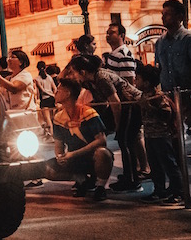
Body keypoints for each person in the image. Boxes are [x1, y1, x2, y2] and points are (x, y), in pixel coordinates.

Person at [66, 54, 143, 192]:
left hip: (131, 105)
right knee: (119, 141)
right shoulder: (89, 81)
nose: (72, 76)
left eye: (74, 72)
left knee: (125, 141)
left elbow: (116, 103)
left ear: (82, 72)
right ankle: (125, 177)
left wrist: (117, 125)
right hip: (122, 107)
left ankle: (132, 180)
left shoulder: (101, 78)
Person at [155, 0, 191, 199]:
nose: (163, 17)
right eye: (163, 13)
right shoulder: (160, 42)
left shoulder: (190, 39)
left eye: (167, 13)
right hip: (169, 98)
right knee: (174, 143)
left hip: (189, 97)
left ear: (179, 16)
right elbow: (160, 68)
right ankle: (179, 186)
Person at [46, 77, 113, 202]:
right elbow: (58, 143)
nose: (55, 92)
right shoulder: (58, 117)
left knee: (103, 153)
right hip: (74, 159)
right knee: (48, 169)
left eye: (59, 90)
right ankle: (81, 180)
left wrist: (72, 154)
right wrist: (60, 156)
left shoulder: (88, 113)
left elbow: (101, 140)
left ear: (68, 93)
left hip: (91, 157)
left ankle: (100, 186)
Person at [103, 22, 150, 180]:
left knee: (133, 137)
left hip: (126, 102)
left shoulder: (123, 54)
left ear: (121, 35)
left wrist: (125, 102)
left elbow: (129, 81)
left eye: (112, 32)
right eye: (108, 32)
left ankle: (143, 168)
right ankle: (136, 168)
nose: (108, 35)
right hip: (120, 101)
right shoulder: (113, 55)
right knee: (131, 137)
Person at [135, 63, 183, 205]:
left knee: (169, 164)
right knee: (155, 165)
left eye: (137, 79)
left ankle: (178, 192)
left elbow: (166, 113)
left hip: (161, 136)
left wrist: (149, 107)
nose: (135, 81)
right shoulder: (144, 95)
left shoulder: (157, 97)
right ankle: (159, 190)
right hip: (150, 135)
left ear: (147, 82)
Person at [34, 61, 57, 132]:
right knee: (53, 119)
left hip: (44, 100)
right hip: (52, 99)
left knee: (47, 119)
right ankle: (56, 135)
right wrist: (53, 95)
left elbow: (41, 91)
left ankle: (51, 135)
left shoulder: (37, 79)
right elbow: (55, 88)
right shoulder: (49, 77)